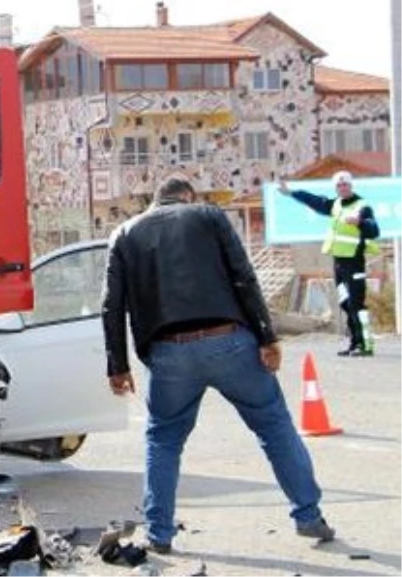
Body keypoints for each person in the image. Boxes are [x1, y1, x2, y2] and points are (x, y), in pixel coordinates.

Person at [101, 175, 335, 554]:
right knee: (274, 425)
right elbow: (244, 277)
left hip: (169, 353)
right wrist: (267, 337)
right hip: (231, 343)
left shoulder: (125, 234)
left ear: (155, 201)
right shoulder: (208, 216)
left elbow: (112, 304)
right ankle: (308, 516)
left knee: (163, 440)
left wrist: (118, 365)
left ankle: (159, 534)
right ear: (188, 198)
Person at [278, 171, 380, 356]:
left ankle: (366, 344)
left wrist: (360, 222)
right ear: (336, 188)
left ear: (351, 186)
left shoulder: (362, 206)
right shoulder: (336, 205)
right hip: (339, 264)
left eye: (346, 184)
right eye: (339, 185)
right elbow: (316, 201)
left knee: (357, 304)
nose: (343, 188)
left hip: (354, 263)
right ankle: (354, 342)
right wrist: (293, 193)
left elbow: (374, 230)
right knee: (345, 303)